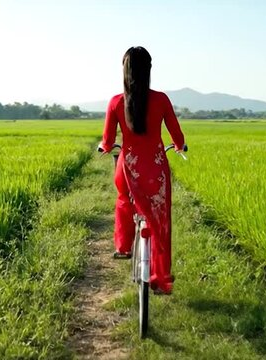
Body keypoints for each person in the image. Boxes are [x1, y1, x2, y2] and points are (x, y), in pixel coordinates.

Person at [100, 46, 185, 295]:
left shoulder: (116, 102)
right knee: (160, 222)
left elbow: (107, 140)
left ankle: (124, 246)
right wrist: (179, 146)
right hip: (156, 168)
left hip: (129, 166)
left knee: (124, 199)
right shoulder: (161, 100)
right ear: (149, 69)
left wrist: (105, 147)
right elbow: (177, 136)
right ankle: (160, 278)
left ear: (124, 70)